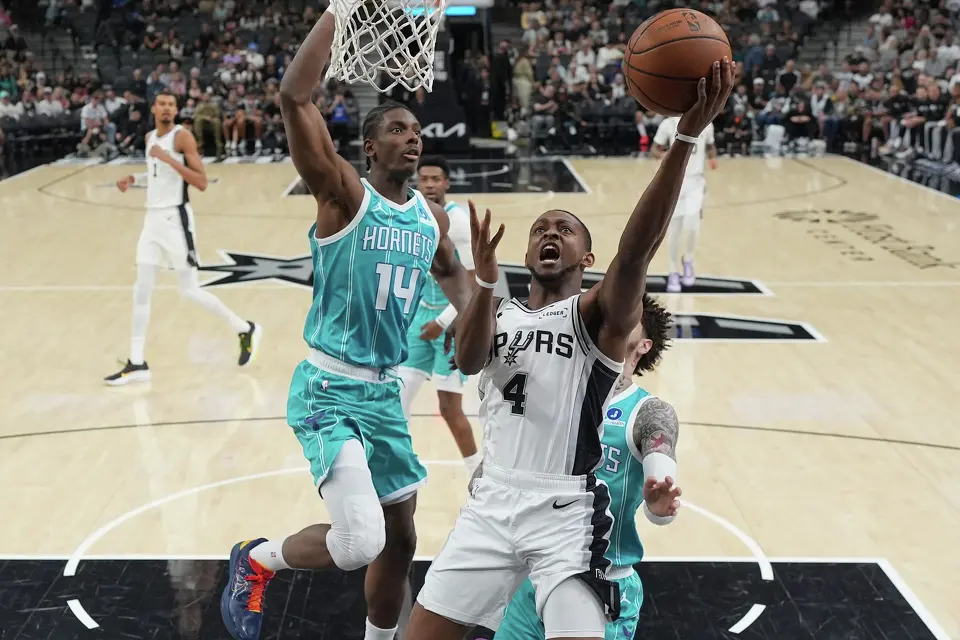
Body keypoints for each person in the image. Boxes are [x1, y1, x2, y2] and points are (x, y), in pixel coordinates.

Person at [405, 58, 733, 640]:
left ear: (587, 258)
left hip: (563, 513)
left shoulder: (596, 319)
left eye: (565, 228)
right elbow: (468, 355)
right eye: (540, 228)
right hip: (491, 500)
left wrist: (683, 138)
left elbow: (634, 252)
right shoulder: (496, 306)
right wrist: (402, 178)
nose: (549, 232)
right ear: (527, 251)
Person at [219, 6, 474, 640]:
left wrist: (483, 309)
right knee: (361, 538)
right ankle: (256, 560)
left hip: (383, 391)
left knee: (401, 538)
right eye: (396, 128)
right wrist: (338, 10)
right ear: (369, 145)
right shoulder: (342, 193)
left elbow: (454, 277)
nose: (412, 137)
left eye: (416, 129)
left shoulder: (430, 219)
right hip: (328, 388)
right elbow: (292, 95)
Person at [496, 295, 679, 640]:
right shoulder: (555, 394)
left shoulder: (648, 412)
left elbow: (662, 480)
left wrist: (659, 503)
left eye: (628, 315)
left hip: (604, 584)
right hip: (536, 576)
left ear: (643, 344)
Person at [105, 90, 260, 385]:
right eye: (162, 104)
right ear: (153, 108)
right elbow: (157, 175)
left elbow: (200, 181)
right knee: (141, 289)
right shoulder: (151, 137)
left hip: (176, 220)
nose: (166, 109)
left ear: (176, 110)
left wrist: (167, 158)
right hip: (151, 221)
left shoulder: (182, 137)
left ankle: (244, 328)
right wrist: (133, 179)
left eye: (171, 105)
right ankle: (137, 362)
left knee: (189, 290)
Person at [398, 156, 480, 476]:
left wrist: (443, 322)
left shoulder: (457, 222)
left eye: (436, 179)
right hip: (419, 320)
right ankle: (398, 465)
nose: (430, 185)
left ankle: (476, 473)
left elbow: (471, 283)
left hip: (450, 324)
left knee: (449, 408)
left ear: (447, 183)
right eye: (424, 179)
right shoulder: (411, 215)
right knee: (398, 399)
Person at [652, 114, 718, 293]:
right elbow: (654, 149)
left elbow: (710, 145)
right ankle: (673, 271)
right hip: (674, 182)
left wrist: (712, 158)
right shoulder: (668, 124)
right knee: (674, 230)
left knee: (692, 226)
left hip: (696, 182)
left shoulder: (706, 122)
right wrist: (663, 154)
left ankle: (688, 260)